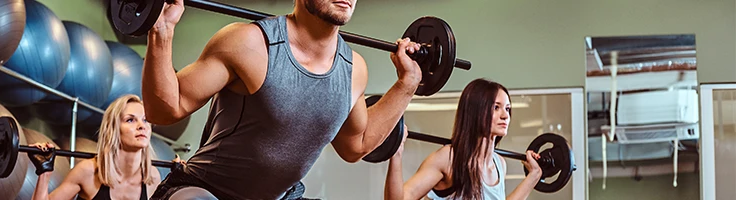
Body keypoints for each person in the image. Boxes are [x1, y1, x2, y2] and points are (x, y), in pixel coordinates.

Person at [143, 0, 422, 199]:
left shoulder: (353, 70)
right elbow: (165, 110)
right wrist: (162, 30)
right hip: (204, 189)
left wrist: (407, 84)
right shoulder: (249, 44)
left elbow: (355, 146)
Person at [383, 78, 543, 200]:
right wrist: (396, 152)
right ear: (475, 111)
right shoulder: (449, 159)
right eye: (496, 107)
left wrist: (534, 175)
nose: (505, 115)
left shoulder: (499, 164)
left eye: (507, 108)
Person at [27, 94, 162, 200]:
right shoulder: (88, 172)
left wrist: (177, 188)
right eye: (130, 120)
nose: (142, 126)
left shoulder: (152, 177)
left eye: (145, 120)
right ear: (113, 129)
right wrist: (44, 172)